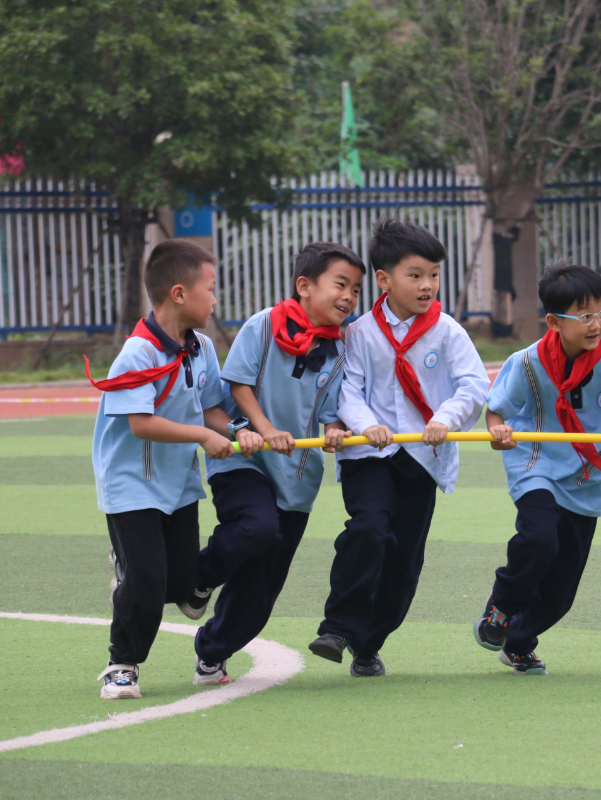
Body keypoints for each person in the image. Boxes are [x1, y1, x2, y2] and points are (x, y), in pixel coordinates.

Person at [308, 219, 488, 677]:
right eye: (415, 275)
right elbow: (347, 388)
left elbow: (472, 385)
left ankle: (369, 644)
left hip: (422, 458)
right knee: (369, 529)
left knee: (404, 559)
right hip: (371, 456)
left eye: (433, 274)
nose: (427, 285)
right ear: (384, 280)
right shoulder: (359, 332)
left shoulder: (448, 332)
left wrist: (444, 419)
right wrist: (367, 425)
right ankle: (337, 629)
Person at [191, 242, 366, 685]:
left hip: (298, 478)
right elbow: (240, 383)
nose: (349, 297)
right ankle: (198, 578)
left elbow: (333, 406)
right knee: (256, 527)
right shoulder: (264, 325)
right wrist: (263, 428)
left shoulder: (341, 348)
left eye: (356, 290)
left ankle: (212, 652)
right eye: (340, 284)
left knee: (261, 590)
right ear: (304, 286)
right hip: (244, 460)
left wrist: (335, 429)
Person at [475, 262, 601, 675]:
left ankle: (519, 643)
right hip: (536, 463)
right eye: (585, 316)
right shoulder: (527, 361)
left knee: (561, 594)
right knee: (539, 539)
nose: (596, 324)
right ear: (554, 322)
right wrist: (498, 430)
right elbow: (497, 410)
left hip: (588, 477)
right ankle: (500, 608)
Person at [87, 239, 247, 699]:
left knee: (179, 583)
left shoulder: (201, 348)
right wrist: (202, 436)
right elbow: (140, 423)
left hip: (177, 484)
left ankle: (143, 575)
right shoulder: (137, 353)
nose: (215, 300)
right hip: (130, 485)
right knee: (146, 581)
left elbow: (212, 409)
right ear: (179, 293)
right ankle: (123, 664)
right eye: (210, 288)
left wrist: (239, 432)